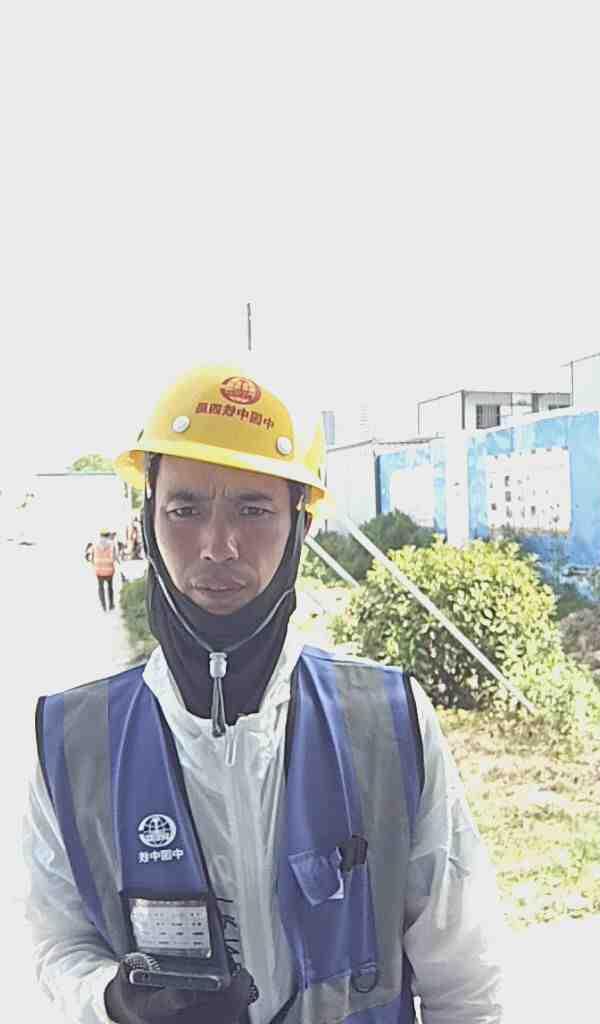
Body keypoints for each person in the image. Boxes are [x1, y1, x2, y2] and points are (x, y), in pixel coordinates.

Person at [23, 363, 508, 1024]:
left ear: (300, 527)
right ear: (148, 519)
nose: (217, 546)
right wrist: (110, 998)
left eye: (252, 510)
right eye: (185, 509)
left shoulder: (388, 721)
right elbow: (58, 943)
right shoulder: (72, 738)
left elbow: (468, 979)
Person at [92, 526, 119, 611]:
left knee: (100, 587)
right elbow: (114, 557)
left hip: (99, 569)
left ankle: (104, 606)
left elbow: (91, 557)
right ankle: (111, 605)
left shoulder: (95, 544)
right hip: (109, 569)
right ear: (107, 535)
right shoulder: (111, 544)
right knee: (110, 587)